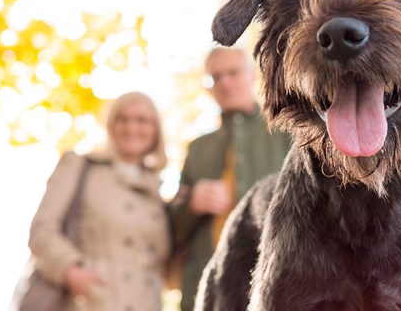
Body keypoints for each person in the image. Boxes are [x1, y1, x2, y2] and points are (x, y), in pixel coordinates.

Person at [169, 47, 291, 311]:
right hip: (208, 293)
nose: (224, 82)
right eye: (216, 77)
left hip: (279, 285)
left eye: (233, 73)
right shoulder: (197, 148)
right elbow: (173, 230)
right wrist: (191, 204)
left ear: (252, 76)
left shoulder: (287, 129)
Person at [28, 92, 169, 311]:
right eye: (123, 119)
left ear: (155, 130)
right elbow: (41, 231)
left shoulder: (158, 192)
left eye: (142, 120)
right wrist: (72, 272)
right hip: (88, 301)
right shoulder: (79, 167)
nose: (132, 128)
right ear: (111, 125)